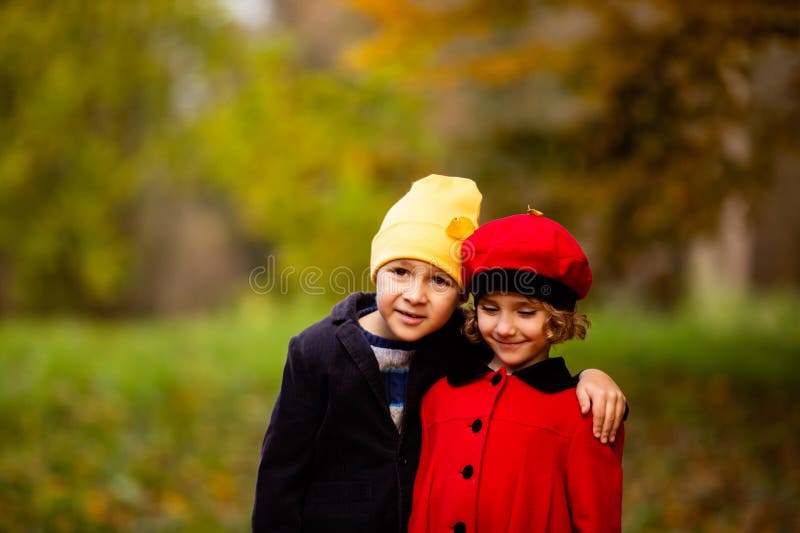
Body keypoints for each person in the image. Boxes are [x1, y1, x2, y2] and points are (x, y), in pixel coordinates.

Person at [252, 177, 627, 533]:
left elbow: (531, 374)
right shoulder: (316, 351)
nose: (416, 295)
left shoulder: (460, 341)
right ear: (375, 271)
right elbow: (281, 472)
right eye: (400, 271)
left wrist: (591, 378)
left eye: (440, 280)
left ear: (461, 298)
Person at [408, 211, 625, 533]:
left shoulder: (584, 414)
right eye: (490, 309)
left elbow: (598, 522)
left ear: (558, 319)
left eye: (525, 312)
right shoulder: (439, 397)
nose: (505, 328)